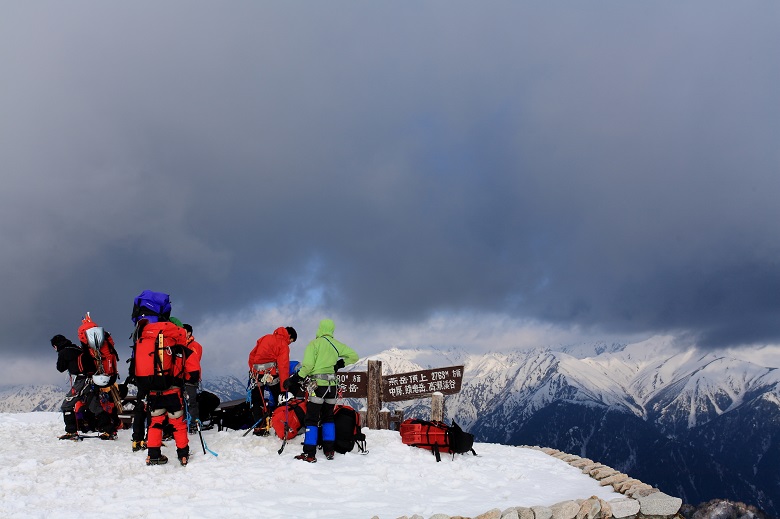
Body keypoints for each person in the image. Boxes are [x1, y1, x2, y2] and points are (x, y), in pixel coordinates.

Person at [284, 319, 358, 462]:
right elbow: (354, 356)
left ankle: (309, 453)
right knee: (328, 417)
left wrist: (294, 379)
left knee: (311, 419)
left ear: (320, 329)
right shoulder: (336, 345)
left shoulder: (314, 344)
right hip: (332, 386)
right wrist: (338, 364)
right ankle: (329, 450)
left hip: (318, 385)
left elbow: (308, 366)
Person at [132, 318, 190, 466]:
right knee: (178, 424)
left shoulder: (146, 340)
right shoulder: (176, 343)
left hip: (153, 391)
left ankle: (153, 456)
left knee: (155, 424)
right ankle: (183, 455)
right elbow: (189, 371)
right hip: (173, 392)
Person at [52, 332, 117, 440]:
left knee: (67, 405)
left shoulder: (64, 351)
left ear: (55, 346)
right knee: (94, 407)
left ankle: (71, 431)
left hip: (83, 381)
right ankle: (109, 430)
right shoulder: (78, 348)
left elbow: (60, 368)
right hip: (94, 380)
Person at [247, 326, 297, 436]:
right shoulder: (283, 344)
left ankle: (260, 428)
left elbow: (252, 355)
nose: (289, 343)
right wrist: (284, 388)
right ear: (288, 336)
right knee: (279, 397)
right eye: (291, 341)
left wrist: (253, 370)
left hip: (257, 373)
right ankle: (279, 424)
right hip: (271, 374)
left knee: (257, 400)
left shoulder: (265, 337)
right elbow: (283, 366)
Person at [182, 323, 203, 433]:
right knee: (183, 401)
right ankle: (185, 423)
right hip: (181, 377)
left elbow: (195, 361)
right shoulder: (181, 344)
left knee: (191, 401)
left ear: (189, 333)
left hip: (190, 377)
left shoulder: (195, 346)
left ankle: (193, 423)